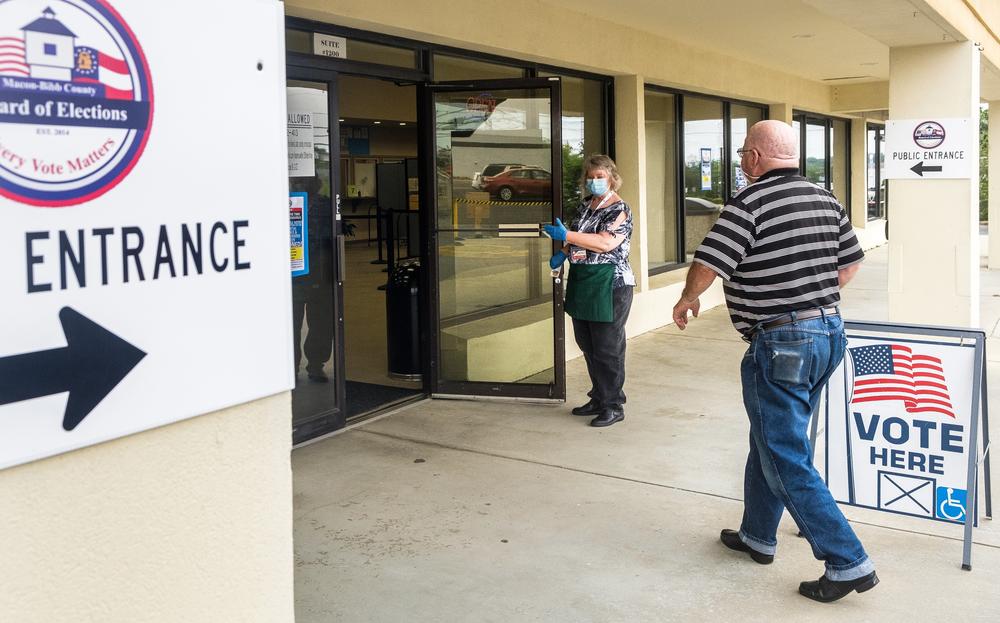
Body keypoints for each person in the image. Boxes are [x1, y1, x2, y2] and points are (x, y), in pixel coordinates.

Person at [671, 120, 875, 603]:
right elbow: (850, 262)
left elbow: (711, 260)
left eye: (743, 152)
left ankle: (848, 561)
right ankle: (758, 535)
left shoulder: (749, 202)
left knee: (785, 455)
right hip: (827, 332)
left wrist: (685, 298)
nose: (741, 160)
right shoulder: (826, 199)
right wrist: (810, 300)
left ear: (756, 158)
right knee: (770, 437)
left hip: (782, 342)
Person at [544, 154, 634, 427]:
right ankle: (598, 396)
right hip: (583, 281)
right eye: (591, 177)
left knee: (608, 348)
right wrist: (562, 254)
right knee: (588, 345)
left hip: (610, 284)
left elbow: (605, 243)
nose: (595, 182)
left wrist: (568, 237)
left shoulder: (620, 209)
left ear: (612, 178)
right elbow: (576, 236)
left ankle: (613, 404)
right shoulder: (586, 206)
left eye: (600, 177)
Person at [291, 175, 335, 382]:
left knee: (320, 321)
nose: (302, 185)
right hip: (295, 275)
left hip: (319, 273)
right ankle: (292, 366)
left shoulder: (325, 205)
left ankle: (315, 364)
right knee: (292, 322)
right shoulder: (284, 204)